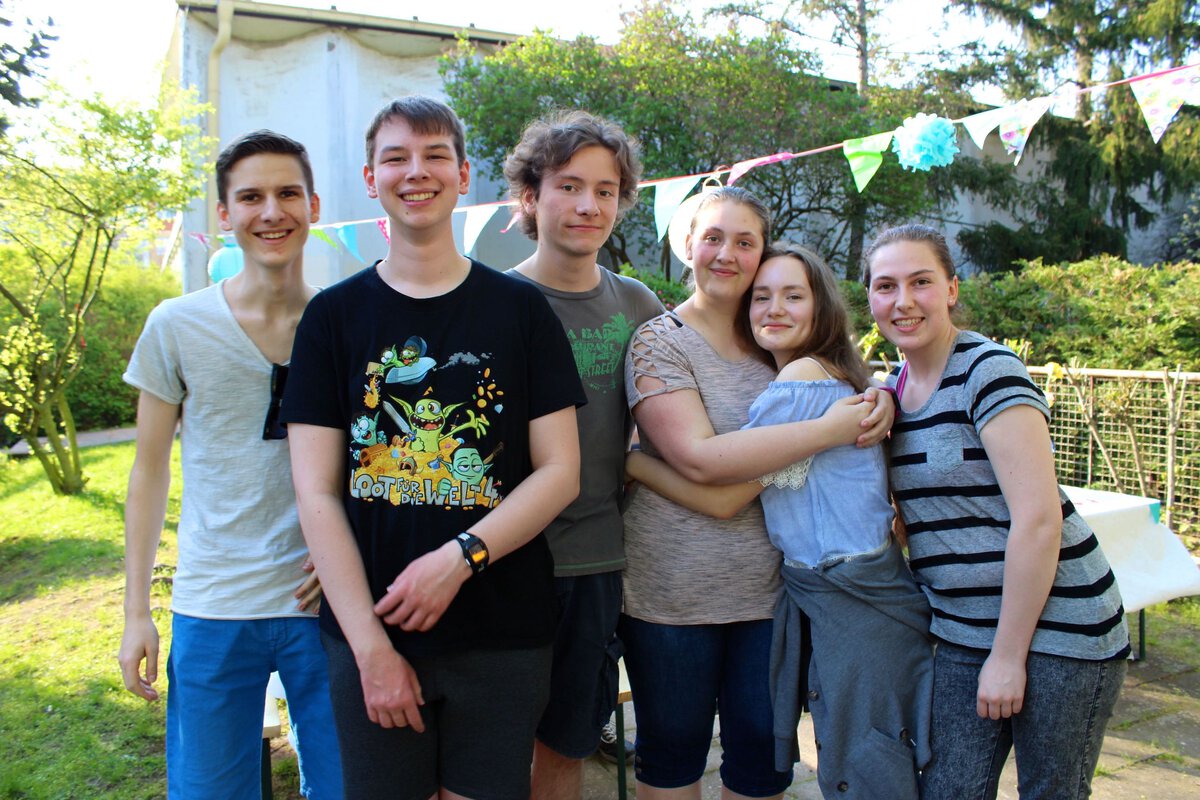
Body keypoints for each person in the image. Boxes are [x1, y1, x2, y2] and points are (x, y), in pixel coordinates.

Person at [281, 96, 585, 800]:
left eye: (434, 155)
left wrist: (460, 558)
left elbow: (561, 470)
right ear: (371, 179)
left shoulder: (520, 310)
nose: (415, 171)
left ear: (463, 174)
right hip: (373, 632)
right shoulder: (331, 318)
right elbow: (316, 490)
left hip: (504, 631)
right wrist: (370, 651)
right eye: (396, 158)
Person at [627, 242, 933, 799]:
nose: (773, 309)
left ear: (821, 308)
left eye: (793, 296)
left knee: (865, 753)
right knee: (878, 746)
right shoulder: (834, 375)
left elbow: (726, 496)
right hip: (857, 585)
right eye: (762, 297)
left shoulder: (799, 383)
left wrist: (629, 462)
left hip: (849, 590)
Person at [863, 223, 1129, 800]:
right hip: (962, 629)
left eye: (921, 282)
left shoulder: (989, 370)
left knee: (1051, 791)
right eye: (886, 286)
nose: (903, 301)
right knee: (949, 789)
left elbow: (1039, 519)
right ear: (870, 299)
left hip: (1060, 629)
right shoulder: (895, 392)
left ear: (951, 289)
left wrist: (1008, 658)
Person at [118, 130, 343, 799]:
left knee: (351, 786)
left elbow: (379, 461)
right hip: (213, 604)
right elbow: (147, 472)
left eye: (288, 193)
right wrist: (136, 612)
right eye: (250, 197)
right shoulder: (175, 325)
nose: (271, 211)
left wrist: (351, 552)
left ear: (314, 205)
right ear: (224, 213)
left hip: (328, 605)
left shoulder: (348, 322)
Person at [503, 110, 663, 799]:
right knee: (490, 751)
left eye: (605, 190)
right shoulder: (491, 300)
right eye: (569, 186)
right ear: (530, 196)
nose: (588, 205)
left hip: (595, 562)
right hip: (501, 561)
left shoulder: (638, 304)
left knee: (564, 746)